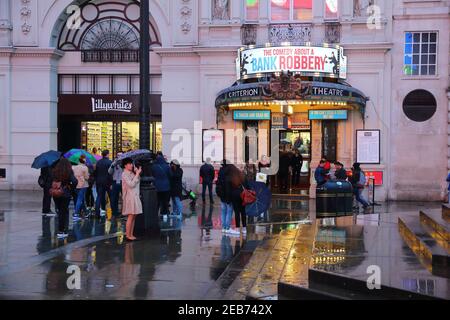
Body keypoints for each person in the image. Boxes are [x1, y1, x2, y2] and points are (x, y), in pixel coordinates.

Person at [51, 158, 78, 238]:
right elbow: (75, 181)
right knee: (65, 211)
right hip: (65, 193)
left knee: (60, 210)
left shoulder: (54, 171)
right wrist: (71, 188)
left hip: (56, 193)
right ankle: (63, 230)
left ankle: (60, 229)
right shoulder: (69, 171)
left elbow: (51, 181)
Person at [121, 158, 142, 241]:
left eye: (131, 163)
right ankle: (128, 235)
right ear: (125, 165)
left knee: (134, 216)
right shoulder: (124, 174)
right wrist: (136, 174)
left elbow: (138, 181)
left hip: (135, 195)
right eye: (129, 164)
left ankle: (131, 234)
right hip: (130, 197)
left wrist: (137, 173)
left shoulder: (131, 172)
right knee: (131, 215)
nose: (131, 165)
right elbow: (131, 184)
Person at [228, 166, 248, 236]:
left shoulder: (232, 177)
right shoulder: (243, 176)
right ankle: (244, 228)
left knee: (237, 212)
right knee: (243, 212)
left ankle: (237, 228)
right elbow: (247, 186)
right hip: (242, 195)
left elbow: (229, 188)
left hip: (234, 195)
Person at [94, 150, 113, 218]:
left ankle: (97, 212)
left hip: (99, 181)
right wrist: (111, 183)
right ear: (107, 154)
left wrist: (96, 180)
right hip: (107, 182)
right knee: (111, 197)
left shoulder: (98, 162)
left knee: (99, 196)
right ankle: (113, 212)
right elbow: (110, 173)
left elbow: (95, 172)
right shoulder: (110, 162)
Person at [152, 154, 171, 219]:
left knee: (157, 201)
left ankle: (155, 214)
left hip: (157, 187)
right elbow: (170, 175)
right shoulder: (167, 166)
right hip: (166, 187)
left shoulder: (154, 166)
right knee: (165, 201)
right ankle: (164, 214)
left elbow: (152, 175)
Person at [216, 160, 233, 233]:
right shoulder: (229, 173)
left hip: (222, 195)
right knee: (229, 211)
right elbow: (228, 186)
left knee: (223, 211)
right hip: (227, 195)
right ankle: (227, 227)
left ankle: (223, 227)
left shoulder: (220, 172)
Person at [72, 155, 90, 220]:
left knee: (81, 198)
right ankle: (76, 213)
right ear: (84, 161)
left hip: (75, 184)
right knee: (80, 199)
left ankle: (85, 211)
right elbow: (87, 178)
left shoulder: (73, 167)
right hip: (83, 185)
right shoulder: (85, 168)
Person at [108, 152, 123, 218]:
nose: (119, 157)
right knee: (114, 198)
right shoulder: (114, 163)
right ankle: (115, 212)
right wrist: (113, 165)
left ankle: (124, 212)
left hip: (123, 182)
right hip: (115, 182)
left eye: (121, 155)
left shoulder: (124, 163)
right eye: (118, 155)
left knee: (125, 198)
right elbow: (109, 172)